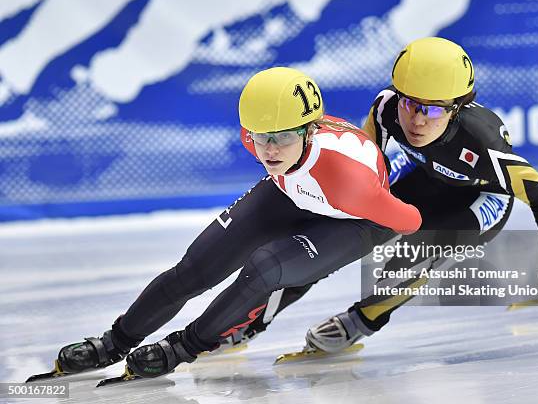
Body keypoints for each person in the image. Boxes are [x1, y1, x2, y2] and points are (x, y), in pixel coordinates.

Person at [30, 67, 422, 381]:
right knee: (195, 268)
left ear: (309, 131)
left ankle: (183, 347)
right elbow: (272, 143)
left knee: (265, 268)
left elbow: (409, 219)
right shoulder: (261, 137)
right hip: (296, 190)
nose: (268, 149)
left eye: (282, 138)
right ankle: (114, 341)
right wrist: (279, 147)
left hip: (358, 218)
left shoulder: (349, 182)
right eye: (260, 137)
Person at [220, 37, 538, 355]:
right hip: (422, 175)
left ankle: (363, 319)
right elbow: (368, 164)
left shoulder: (482, 143)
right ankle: (251, 322)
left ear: (458, 107)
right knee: (332, 237)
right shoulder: (386, 109)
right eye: (409, 102)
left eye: (432, 109)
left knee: (414, 253)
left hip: (479, 201)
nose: (416, 120)